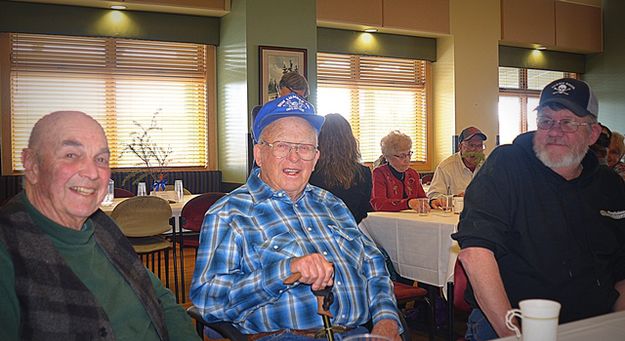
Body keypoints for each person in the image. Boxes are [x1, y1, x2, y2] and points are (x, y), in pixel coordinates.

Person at [190, 94, 402, 341]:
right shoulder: (230, 214)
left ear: (316, 158)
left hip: (358, 333)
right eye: (282, 145)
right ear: (259, 154)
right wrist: (285, 271)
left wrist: (386, 320)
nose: (295, 157)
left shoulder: (332, 204)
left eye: (305, 147)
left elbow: (373, 266)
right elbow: (207, 301)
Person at [0, 111, 199, 340]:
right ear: (32, 165)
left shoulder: (102, 225)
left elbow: (159, 297)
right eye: (71, 154)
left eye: (101, 159)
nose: (93, 172)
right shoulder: (8, 252)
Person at [452, 78, 625, 340]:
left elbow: (621, 270)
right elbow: (475, 252)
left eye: (567, 122)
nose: (554, 131)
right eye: (546, 120)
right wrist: (515, 336)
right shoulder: (507, 165)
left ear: (592, 133)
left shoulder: (608, 184)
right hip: (512, 323)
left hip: (593, 324)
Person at [309, 114, 372, 224]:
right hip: (350, 234)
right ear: (350, 140)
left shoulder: (310, 172)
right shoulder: (364, 173)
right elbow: (363, 212)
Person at [427, 126, 487, 209]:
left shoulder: (489, 165)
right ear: (460, 147)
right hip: (455, 216)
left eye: (479, 146)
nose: (475, 150)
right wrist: (455, 198)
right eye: (471, 145)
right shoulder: (446, 167)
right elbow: (433, 196)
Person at [370, 130, 427, 211]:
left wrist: (432, 202)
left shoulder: (413, 173)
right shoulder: (379, 173)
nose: (407, 159)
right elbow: (379, 204)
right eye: (401, 156)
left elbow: (422, 199)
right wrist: (408, 203)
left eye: (409, 154)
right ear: (388, 156)